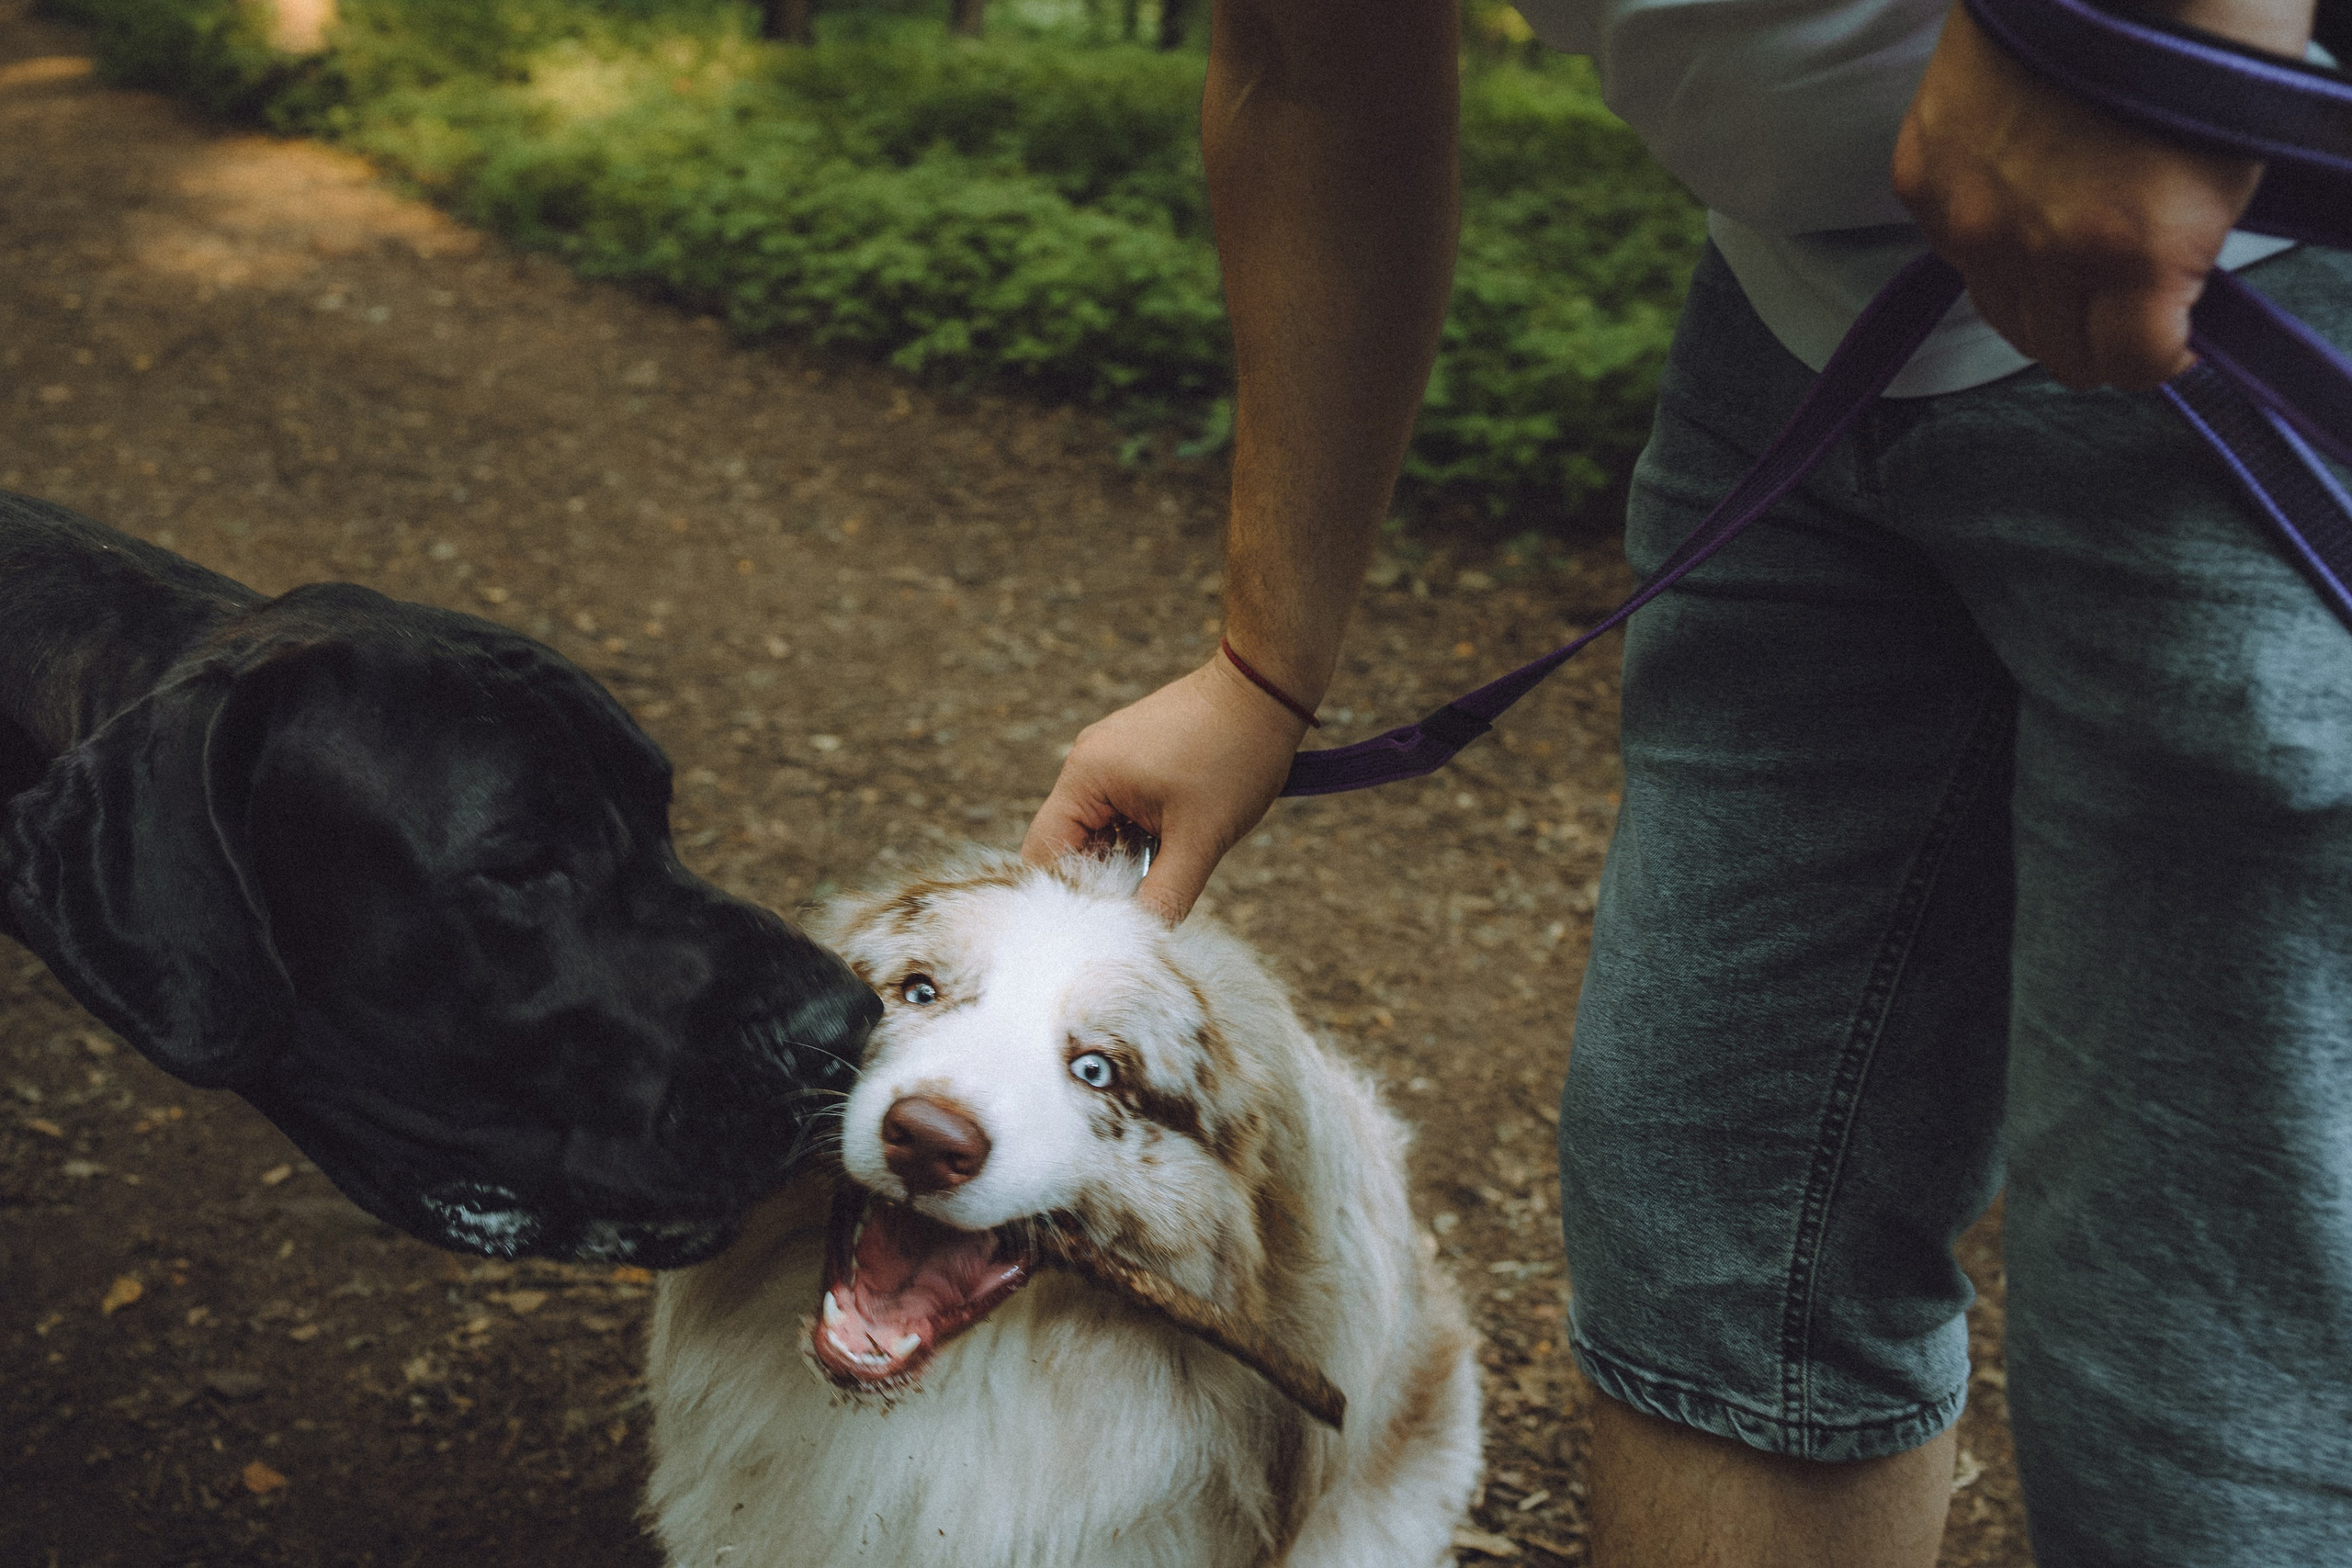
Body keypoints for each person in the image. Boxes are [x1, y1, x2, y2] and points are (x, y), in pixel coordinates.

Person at [1021, 0, 2352, 1562]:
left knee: (2206, 1362)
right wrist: (1262, 669)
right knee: (1722, 1251)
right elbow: (1309, 66)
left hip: (2259, 279)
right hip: (1790, 341)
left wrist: (2152, 36)